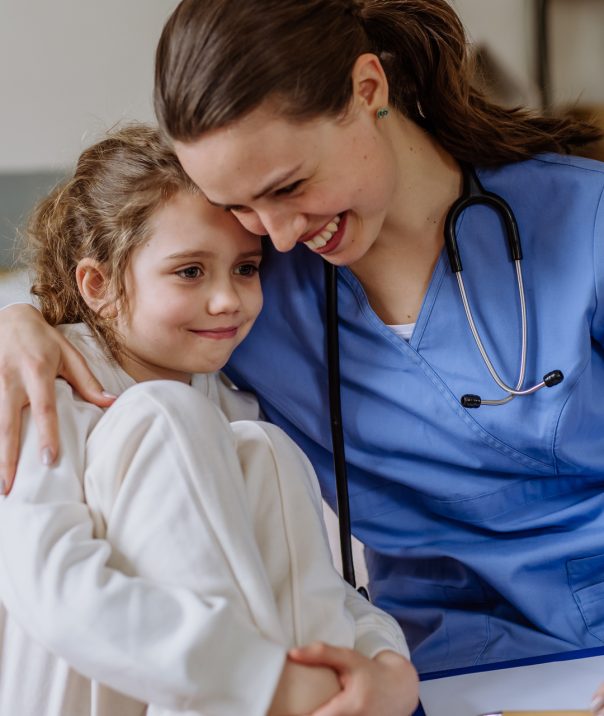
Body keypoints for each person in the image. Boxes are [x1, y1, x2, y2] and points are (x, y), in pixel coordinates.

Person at [1, 0, 604, 677]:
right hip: (436, 666)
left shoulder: (586, 220)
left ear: (368, 90)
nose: (280, 233)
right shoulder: (250, 294)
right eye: (239, 206)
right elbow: (121, 297)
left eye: (289, 186)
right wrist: (18, 323)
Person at [0, 124, 417, 716]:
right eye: (190, 272)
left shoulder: (232, 401)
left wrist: (383, 664)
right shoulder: (48, 387)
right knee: (166, 414)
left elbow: (315, 579)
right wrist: (262, 681)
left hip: (255, 690)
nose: (228, 300)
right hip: (74, 691)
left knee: (265, 448)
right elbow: (53, 587)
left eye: (245, 269)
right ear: (97, 284)